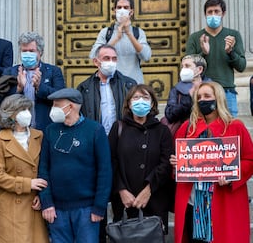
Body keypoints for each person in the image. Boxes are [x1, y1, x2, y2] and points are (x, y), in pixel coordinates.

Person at [170, 81, 253, 243]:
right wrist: (176, 163)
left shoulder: (235, 127)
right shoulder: (187, 127)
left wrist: (232, 175)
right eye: (199, 97)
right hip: (193, 202)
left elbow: (250, 159)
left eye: (207, 96)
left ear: (218, 99)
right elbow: (178, 161)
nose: (202, 100)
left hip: (224, 201)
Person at [39, 88, 112, 243]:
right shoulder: (50, 130)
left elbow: (105, 171)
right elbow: (43, 168)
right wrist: (46, 203)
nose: (53, 109)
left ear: (70, 107)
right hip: (57, 210)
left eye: (57, 105)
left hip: (87, 209)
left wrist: (99, 206)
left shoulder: (95, 130)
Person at [108, 84, 173, 235]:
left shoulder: (162, 130)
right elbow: (111, 161)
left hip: (155, 199)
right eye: (136, 98)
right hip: (125, 202)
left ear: (152, 104)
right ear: (129, 104)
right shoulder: (118, 128)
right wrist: (121, 190)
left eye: (145, 98)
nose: (140, 101)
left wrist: (148, 190)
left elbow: (165, 164)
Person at [0, 94, 49, 243]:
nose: (26, 113)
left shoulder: (39, 135)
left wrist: (43, 196)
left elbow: (46, 169)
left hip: (34, 203)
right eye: (22, 109)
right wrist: (28, 184)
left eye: (28, 109)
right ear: (11, 114)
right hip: (9, 203)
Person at [186, 0, 246, 117]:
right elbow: (187, 70)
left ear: (223, 13)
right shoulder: (195, 37)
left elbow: (242, 66)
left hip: (227, 92)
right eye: (210, 12)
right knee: (203, 130)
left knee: (229, 129)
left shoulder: (233, 35)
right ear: (205, 14)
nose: (213, 14)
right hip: (202, 93)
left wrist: (230, 52)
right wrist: (203, 53)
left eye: (216, 11)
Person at [2, 31, 66, 132]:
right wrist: (18, 89)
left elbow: (61, 97)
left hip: (45, 129)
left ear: (40, 53)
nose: (27, 54)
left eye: (31, 51)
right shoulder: (10, 72)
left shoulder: (54, 71)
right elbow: (1, 102)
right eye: (24, 51)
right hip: (17, 130)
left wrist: (39, 87)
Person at [89, 0, 151, 84]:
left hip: (134, 84)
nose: (122, 10)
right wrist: (116, 38)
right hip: (111, 83)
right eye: (119, 7)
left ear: (131, 11)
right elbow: (94, 56)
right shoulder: (106, 33)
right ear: (114, 11)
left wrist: (129, 34)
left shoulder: (138, 33)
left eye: (126, 7)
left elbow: (146, 56)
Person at [78, 44, 137, 135]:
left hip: (123, 137)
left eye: (114, 59)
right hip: (96, 137)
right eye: (106, 58)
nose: (111, 62)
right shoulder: (85, 87)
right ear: (96, 62)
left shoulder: (129, 84)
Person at [165, 54, 210, 125]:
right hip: (185, 129)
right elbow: (169, 115)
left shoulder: (212, 87)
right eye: (182, 66)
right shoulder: (176, 89)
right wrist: (187, 100)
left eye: (187, 66)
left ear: (199, 69)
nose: (183, 69)